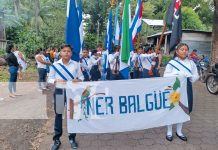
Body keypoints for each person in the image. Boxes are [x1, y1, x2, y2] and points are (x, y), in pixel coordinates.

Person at [48, 44, 84, 150]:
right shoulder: (55, 65)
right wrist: (56, 80)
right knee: (58, 114)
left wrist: (78, 80)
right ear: (60, 53)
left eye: (68, 51)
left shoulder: (76, 64)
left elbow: (81, 77)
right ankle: (56, 140)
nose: (66, 53)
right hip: (59, 91)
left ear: (71, 53)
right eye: (64, 51)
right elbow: (49, 79)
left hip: (72, 92)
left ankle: (72, 138)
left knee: (72, 114)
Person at [164, 43, 199, 142]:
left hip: (187, 88)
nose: (184, 51)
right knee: (172, 108)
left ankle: (179, 131)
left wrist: (190, 77)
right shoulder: (172, 63)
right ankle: (169, 131)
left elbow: (196, 76)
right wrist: (177, 73)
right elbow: (165, 75)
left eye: (186, 49)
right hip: (174, 88)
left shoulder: (191, 63)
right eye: (182, 49)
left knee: (184, 109)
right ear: (177, 51)